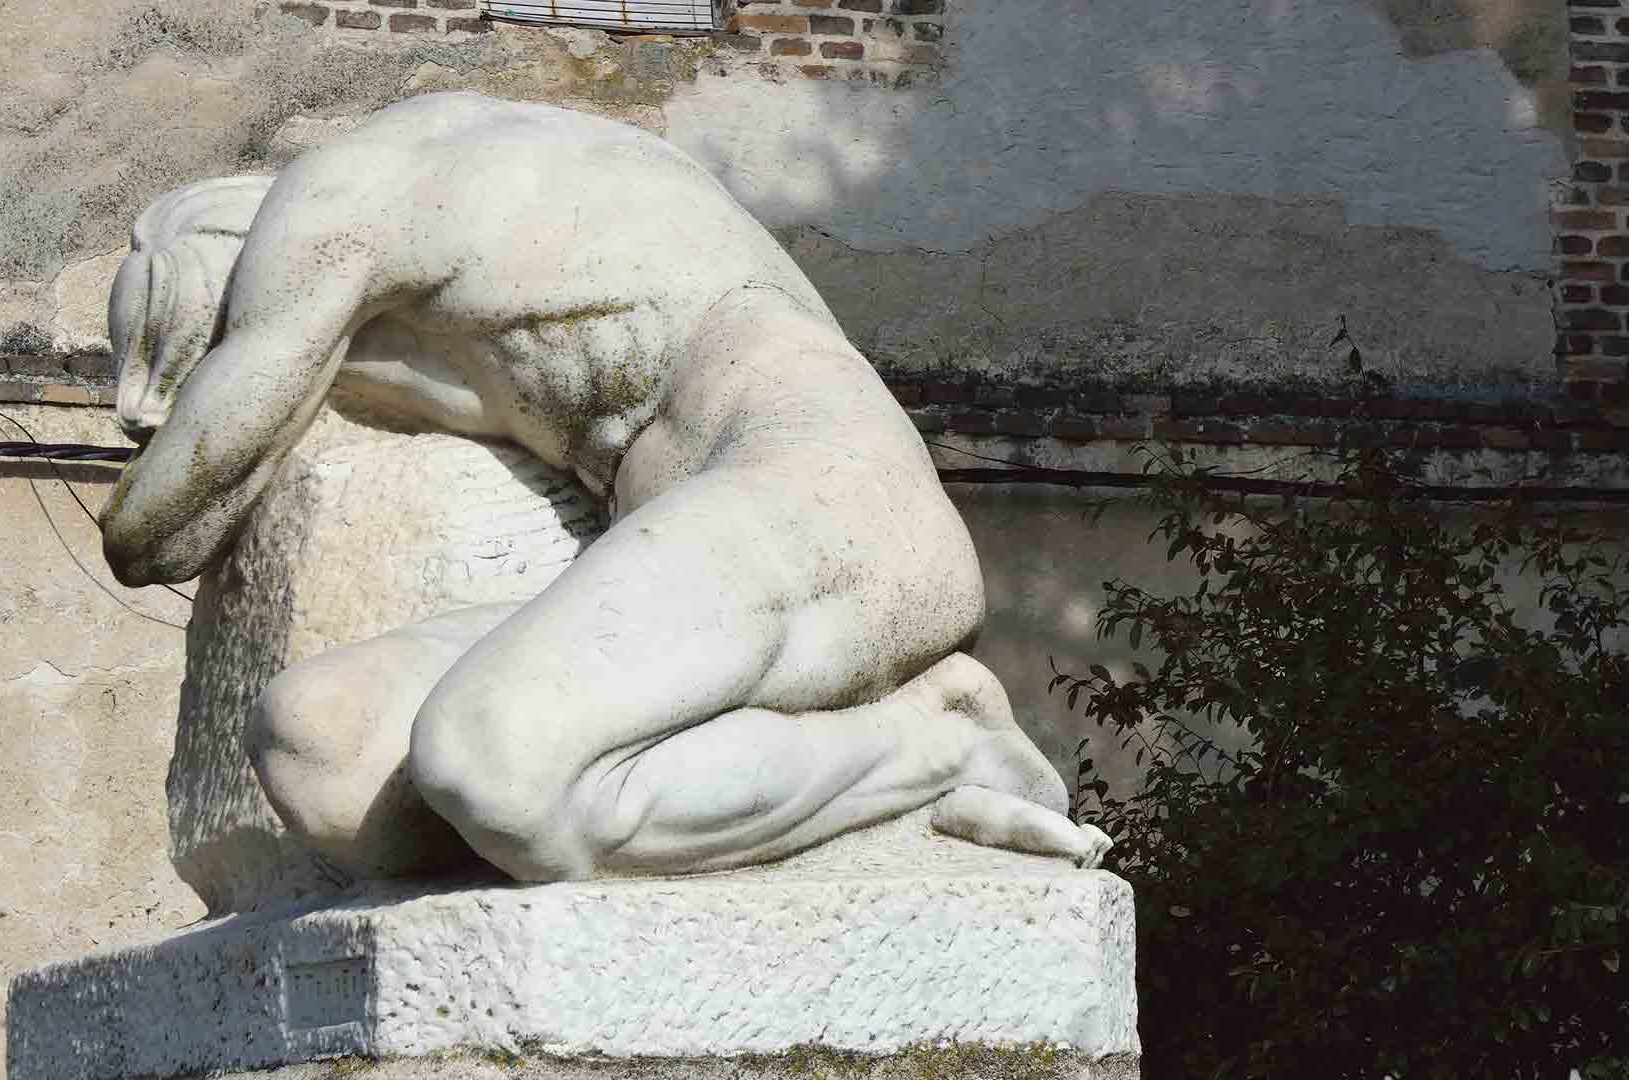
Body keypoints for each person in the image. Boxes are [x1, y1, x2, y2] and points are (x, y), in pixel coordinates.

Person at [102, 92, 1111, 883]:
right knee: (322, 744)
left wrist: (144, 482)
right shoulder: (483, 214)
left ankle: (935, 741)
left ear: (226, 271)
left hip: (826, 497)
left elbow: (168, 520)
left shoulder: (337, 198)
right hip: (707, 553)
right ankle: (662, 800)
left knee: (492, 767)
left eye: (196, 350)